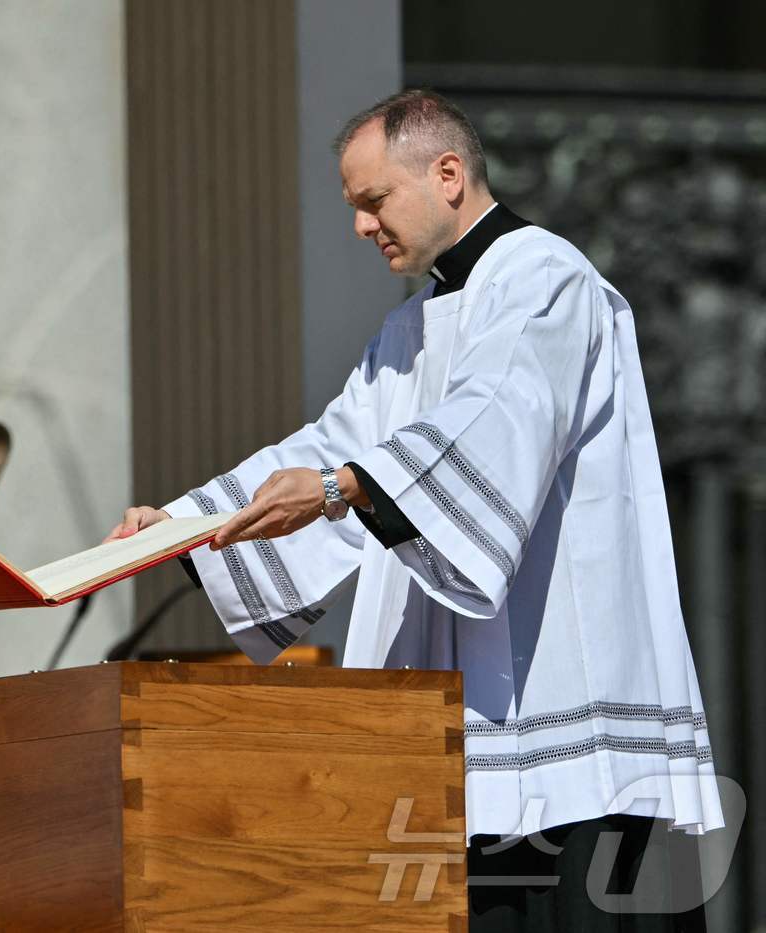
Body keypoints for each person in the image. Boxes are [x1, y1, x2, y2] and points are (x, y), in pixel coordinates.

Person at [107, 89, 722, 931]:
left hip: (566, 694)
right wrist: (182, 526)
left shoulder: (546, 278)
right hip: (464, 724)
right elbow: (330, 446)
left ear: (448, 174)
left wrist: (341, 488)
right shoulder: (411, 329)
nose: (362, 226)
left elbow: (494, 417)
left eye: (373, 201)